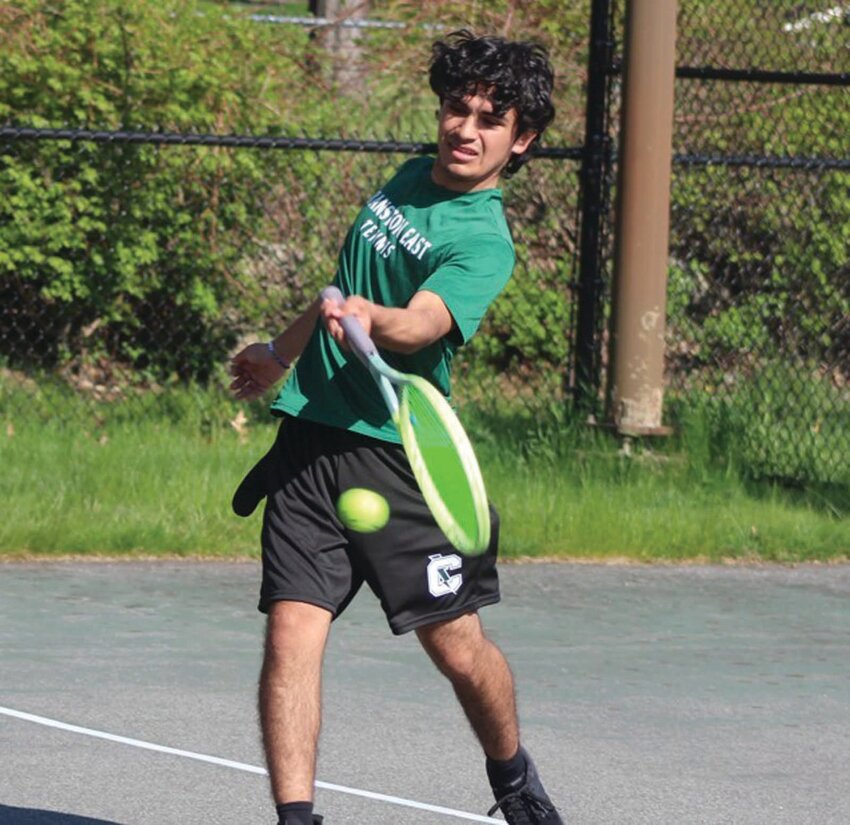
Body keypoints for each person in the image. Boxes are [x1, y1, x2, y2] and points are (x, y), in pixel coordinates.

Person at [229, 29, 562, 825]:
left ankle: (513, 776)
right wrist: (283, 350)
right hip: (312, 443)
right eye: (458, 108)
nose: (466, 129)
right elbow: (343, 286)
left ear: (522, 140)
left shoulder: (483, 240)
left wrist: (373, 319)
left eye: (491, 118)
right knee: (290, 635)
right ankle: (295, 818)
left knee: (458, 650)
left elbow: (417, 325)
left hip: (400, 462)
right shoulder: (409, 178)